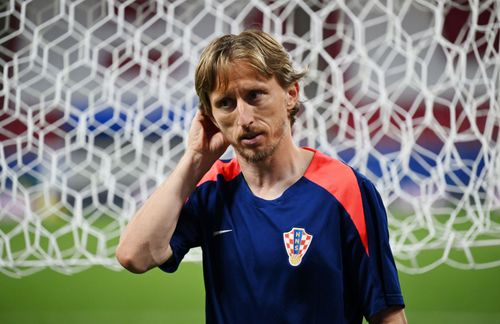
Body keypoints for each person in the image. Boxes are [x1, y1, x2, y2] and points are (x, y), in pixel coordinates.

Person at [116, 30, 407, 324]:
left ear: (291, 94)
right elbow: (134, 255)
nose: (244, 119)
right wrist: (195, 158)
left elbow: (387, 314)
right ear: (210, 116)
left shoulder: (346, 189)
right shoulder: (212, 190)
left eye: (255, 95)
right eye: (226, 104)